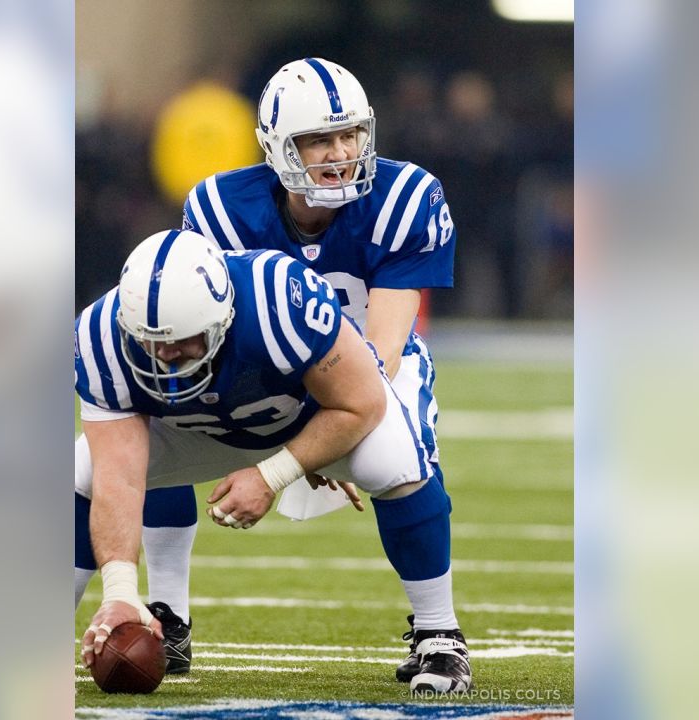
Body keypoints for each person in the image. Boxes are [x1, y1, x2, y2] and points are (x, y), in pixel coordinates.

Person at [74, 57, 461, 684]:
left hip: (360, 371)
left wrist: (314, 448)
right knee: (138, 422)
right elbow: (196, 319)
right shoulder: (221, 208)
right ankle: (165, 613)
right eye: (317, 139)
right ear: (277, 147)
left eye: (349, 135)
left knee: (394, 461)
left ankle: (438, 632)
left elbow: (381, 356)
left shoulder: (405, 197)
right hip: (252, 365)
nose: (339, 153)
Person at [75, 229, 471, 693]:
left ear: (220, 319)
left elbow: (363, 403)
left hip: (309, 418)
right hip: (200, 428)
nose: (164, 357)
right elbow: (119, 477)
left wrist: (275, 473)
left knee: (393, 460)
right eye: (149, 342)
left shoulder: (278, 298)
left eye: (182, 342)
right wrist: (120, 593)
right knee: (80, 471)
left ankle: (439, 633)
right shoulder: (99, 334)